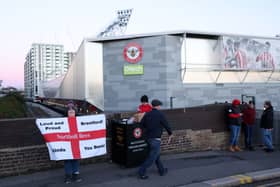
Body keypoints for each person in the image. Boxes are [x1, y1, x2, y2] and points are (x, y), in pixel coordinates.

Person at [138, 99, 173, 179]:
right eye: (160, 105)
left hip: (148, 138)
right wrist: (170, 133)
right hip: (155, 139)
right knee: (151, 158)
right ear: (157, 106)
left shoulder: (147, 114)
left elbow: (141, 125)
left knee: (156, 156)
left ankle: (162, 170)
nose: (160, 107)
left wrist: (146, 132)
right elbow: (166, 125)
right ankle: (141, 171)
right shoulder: (160, 114)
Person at [64, 108, 82, 184]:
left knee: (75, 161)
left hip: (76, 144)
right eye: (70, 112)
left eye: (73, 112)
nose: (71, 113)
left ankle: (76, 175)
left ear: (75, 113)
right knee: (67, 161)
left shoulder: (79, 121)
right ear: (67, 113)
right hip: (67, 145)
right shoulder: (63, 122)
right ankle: (68, 176)